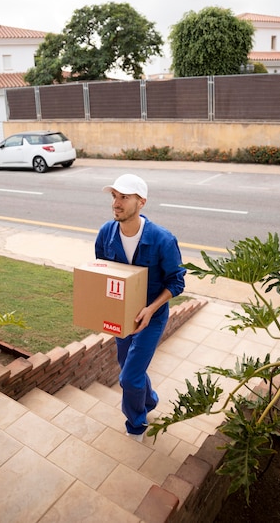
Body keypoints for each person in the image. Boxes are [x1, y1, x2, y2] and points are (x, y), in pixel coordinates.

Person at [95, 173, 186, 441]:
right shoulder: (105, 233)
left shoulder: (162, 240)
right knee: (128, 367)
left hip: (151, 317)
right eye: (114, 196)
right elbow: (104, 272)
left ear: (141, 202)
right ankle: (150, 400)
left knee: (129, 377)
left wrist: (150, 309)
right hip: (122, 316)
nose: (116, 203)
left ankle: (136, 424)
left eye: (124, 197)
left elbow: (177, 282)